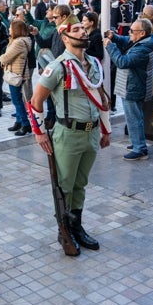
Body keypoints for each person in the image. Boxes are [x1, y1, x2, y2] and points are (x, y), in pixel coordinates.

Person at [26, 16, 111, 255]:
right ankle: (64, 231)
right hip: (68, 133)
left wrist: (105, 130)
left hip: (91, 132)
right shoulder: (58, 67)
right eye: (77, 30)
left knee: (80, 184)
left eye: (84, 28)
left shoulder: (93, 62)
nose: (84, 32)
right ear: (65, 38)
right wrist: (40, 133)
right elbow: (35, 101)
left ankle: (77, 227)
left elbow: (102, 98)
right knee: (64, 185)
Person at [103, 18, 153, 160]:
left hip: (133, 87)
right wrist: (115, 37)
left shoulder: (142, 49)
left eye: (132, 31)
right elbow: (127, 40)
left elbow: (122, 62)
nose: (129, 33)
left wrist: (110, 46)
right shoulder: (146, 41)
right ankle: (137, 142)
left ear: (141, 33)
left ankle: (140, 149)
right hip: (133, 86)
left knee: (134, 119)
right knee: (136, 117)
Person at [0, 20, 34, 136]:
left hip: (16, 74)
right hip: (17, 73)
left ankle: (25, 124)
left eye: (11, 28)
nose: (9, 29)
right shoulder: (19, 40)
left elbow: (6, 57)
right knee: (17, 99)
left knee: (17, 100)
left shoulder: (18, 42)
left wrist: (1, 58)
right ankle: (19, 121)